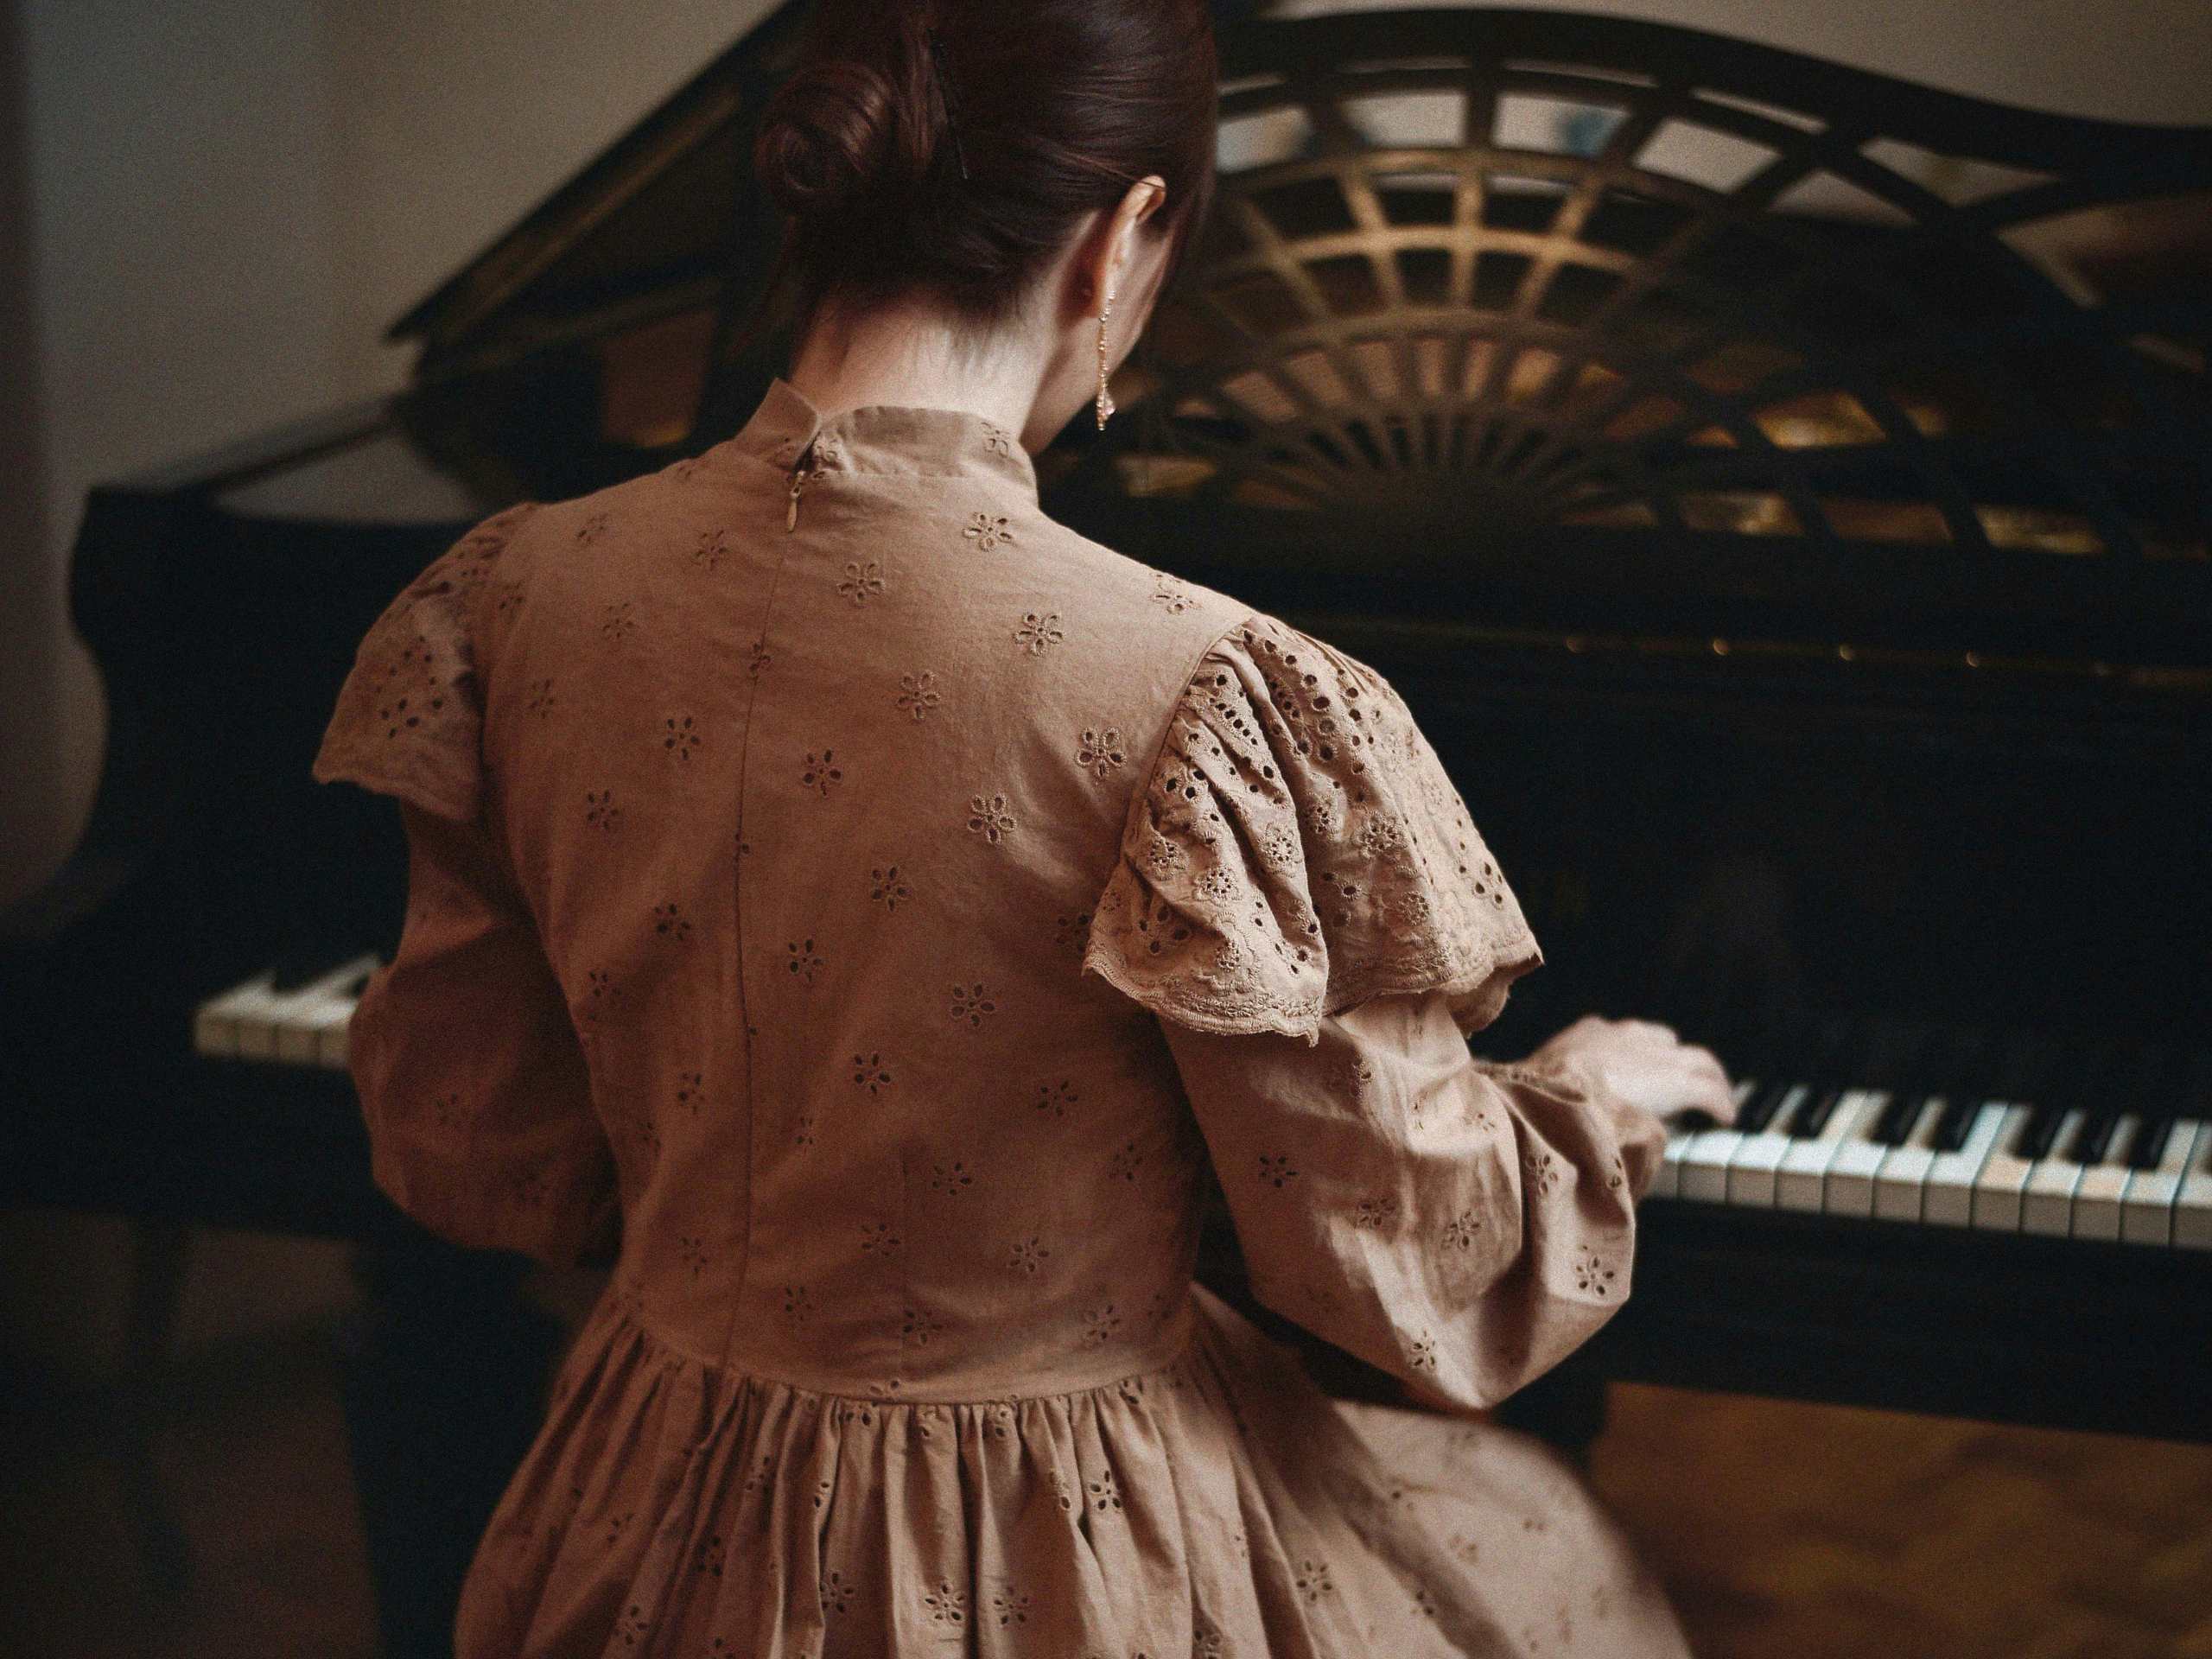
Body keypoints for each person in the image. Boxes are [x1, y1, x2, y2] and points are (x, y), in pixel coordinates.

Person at [311, 1, 1737, 1652]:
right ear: (1124, 237)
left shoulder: (513, 595)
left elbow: (483, 1136)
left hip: (651, 1489)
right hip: (1047, 1538)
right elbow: (1404, 1248)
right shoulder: (1205, 691)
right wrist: (1591, 1104)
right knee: (1549, 1556)